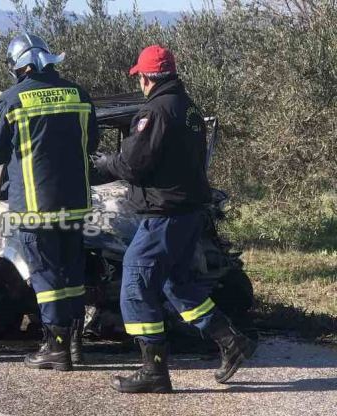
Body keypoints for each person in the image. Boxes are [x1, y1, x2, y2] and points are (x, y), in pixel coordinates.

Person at [92, 45, 257, 393]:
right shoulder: (188, 107)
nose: (139, 82)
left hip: (164, 214)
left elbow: (133, 164)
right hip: (189, 211)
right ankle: (230, 341)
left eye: (139, 77)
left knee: (135, 284)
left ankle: (153, 370)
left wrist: (105, 162)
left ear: (147, 78)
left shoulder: (155, 110)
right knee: (178, 285)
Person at [0, 33, 99, 371]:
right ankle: (74, 346)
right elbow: (91, 143)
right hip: (75, 204)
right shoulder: (79, 93)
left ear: (22, 67)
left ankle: (56, 348)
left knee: (47, 280)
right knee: (72, 276)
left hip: (34, 207)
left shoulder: (12, 99)